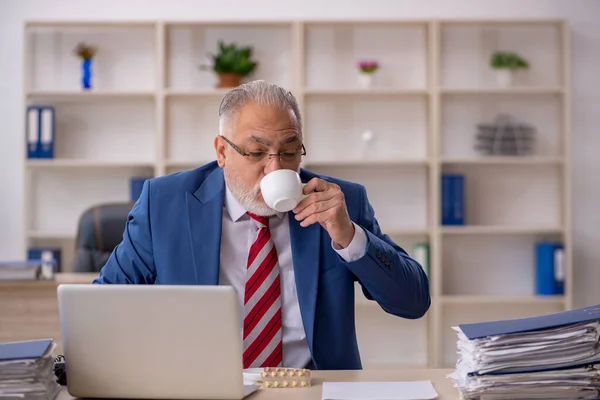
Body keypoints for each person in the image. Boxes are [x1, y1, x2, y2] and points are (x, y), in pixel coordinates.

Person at [94, 80, 430, 370]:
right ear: (222, 152)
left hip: (311, 388)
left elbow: (413, 302)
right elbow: (104, 310)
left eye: (289, 152)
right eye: (256, 152)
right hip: (199, 388)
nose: (275, 168)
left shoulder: (340, 203)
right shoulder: (164, 203)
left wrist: (348, 236)